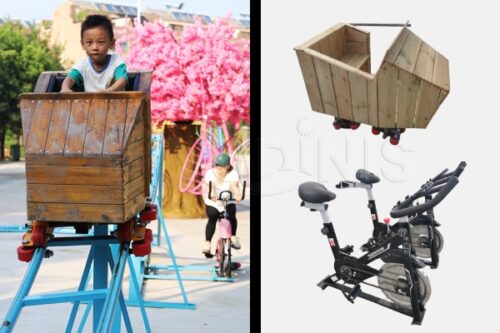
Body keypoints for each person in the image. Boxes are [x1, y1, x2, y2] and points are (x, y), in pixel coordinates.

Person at [61, 15, 127, 92]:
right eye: (89, 42)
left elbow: (122, 80)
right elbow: (70, 78)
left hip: (114, 103)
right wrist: (65, 89)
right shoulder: (83, 65)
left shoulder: (116, 61)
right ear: (82, 44)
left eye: (101, 42)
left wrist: (109, 91)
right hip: (89, 103)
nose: (95, 47)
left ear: (112, 43)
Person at [201, 153, 242, 255]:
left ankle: (233, 236)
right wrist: (213, 194)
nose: (219, 168)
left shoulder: (233, 173)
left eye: (222, 166)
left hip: (228, 199)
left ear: (228, 166)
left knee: (231, 215)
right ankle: (207, 243)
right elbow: (212, 185)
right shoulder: (210, 173)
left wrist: (237, 194)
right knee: (212, 216)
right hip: (213, 200)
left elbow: (233, 185)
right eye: (217, 165)